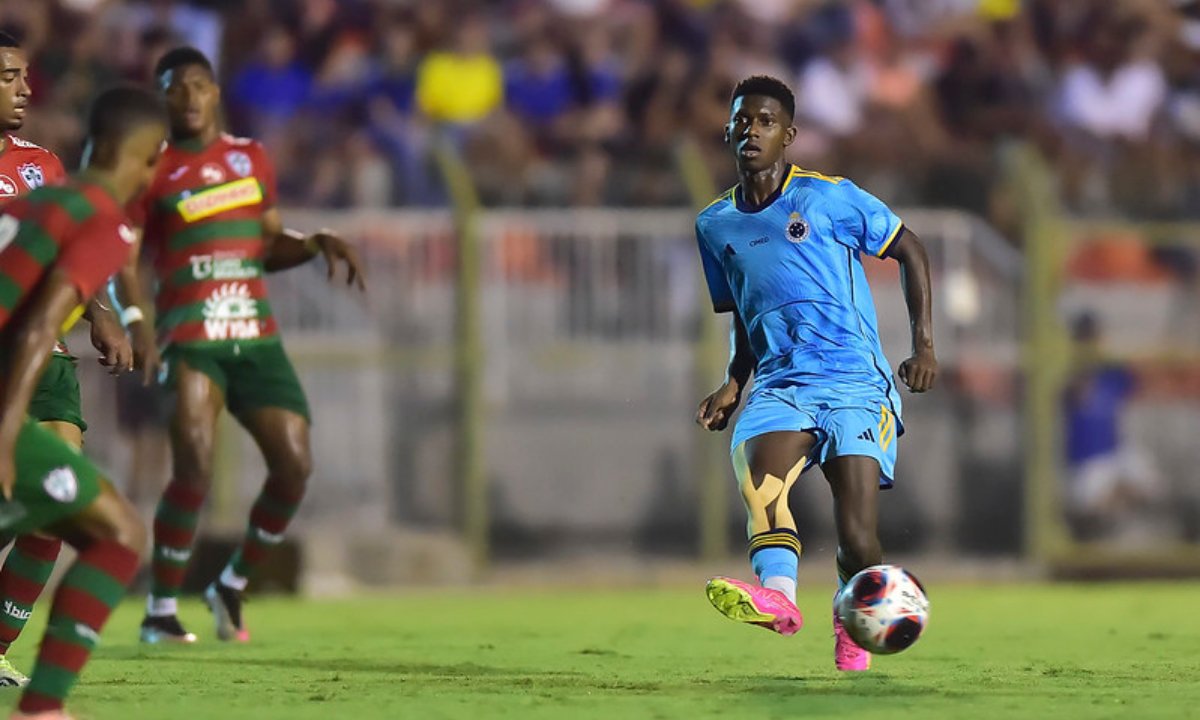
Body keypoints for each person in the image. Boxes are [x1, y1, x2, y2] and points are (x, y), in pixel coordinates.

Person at [120, 47, 365, 645]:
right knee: (195, 465)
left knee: (294, 465)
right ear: (163, 98)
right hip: (192, 337)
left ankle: (230, 584)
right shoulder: (151, 168)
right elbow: (124, 259)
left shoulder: (249, 157)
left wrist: (311, 244)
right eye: (177, 88)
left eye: (201, 85)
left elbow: (266, 243)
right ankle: (159, 608)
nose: (191, 97)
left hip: (255, 336)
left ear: (216, 92)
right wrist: (136, 322)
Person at [694, 76, 937, 671]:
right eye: (742, 120)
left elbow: (910, 249)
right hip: (781, 383)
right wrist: (734, 380)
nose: (752, 129)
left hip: (855, 381)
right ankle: (778, 597)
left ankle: (849, 616)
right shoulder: (715, 225)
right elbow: (747, 312)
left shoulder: (830, 199)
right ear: (727, 130)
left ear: (789, 136)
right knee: (758, 473)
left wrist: (923, 345)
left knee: (858, 539)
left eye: (766, 121)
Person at [0, 83, 166, 720]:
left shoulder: (50, 194)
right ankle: (42, 709)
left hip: (29, 369)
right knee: (119, 533)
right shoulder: (102, 213)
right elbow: (41, 325)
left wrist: (112, 317)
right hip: (15, 375)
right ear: (144, 157)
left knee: (61, 514)